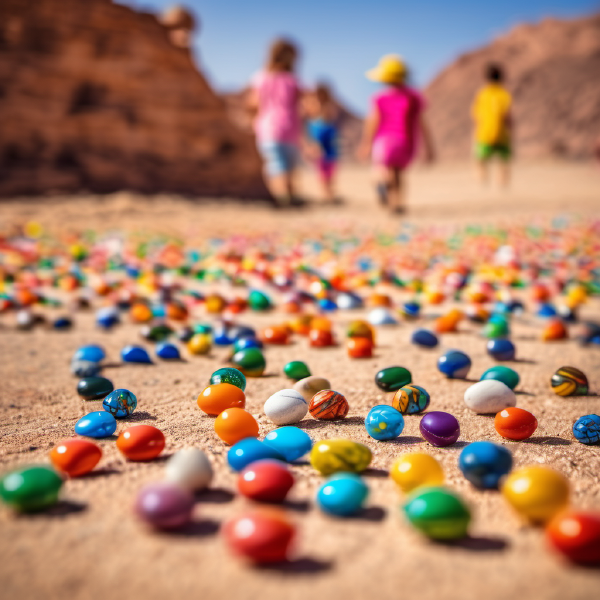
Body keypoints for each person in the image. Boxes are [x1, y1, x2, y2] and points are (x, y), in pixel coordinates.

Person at [358, 54, 434, 213]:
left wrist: (366, 144)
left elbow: (373, 122)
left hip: (383, 140)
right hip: (405, 140)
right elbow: (422, 123)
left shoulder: (379, 97)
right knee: (398, 173)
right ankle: (398, 203)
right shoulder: (413, 96)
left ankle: (383, 188)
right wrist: (429, 147)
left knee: (386, 171)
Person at [247, 39, 303, 205]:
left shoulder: (261, 77)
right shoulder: (293, 80)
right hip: (291, 129)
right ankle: (290, 197)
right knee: (290, 166)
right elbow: (303, 105)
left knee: (275, 165)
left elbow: (253, 103)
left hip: (268, 128)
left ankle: (280, 197)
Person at [471, 63, 512, 187]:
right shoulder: (504, 94)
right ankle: (502, 181)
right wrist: (510, 129)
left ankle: (482, 177)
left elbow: (476, 114)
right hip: (502, 133)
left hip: (485, 133)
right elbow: (507, 115)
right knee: (503, 160)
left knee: (480, 158)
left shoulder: (482, 94)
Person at [304, 83, 340, 203]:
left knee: (329, 173)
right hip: (319, 146)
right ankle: (326, 195)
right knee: (322, 173)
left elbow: (329, 118)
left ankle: (329, 195)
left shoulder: (327, 110)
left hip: (329, 147)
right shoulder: (313, 118)